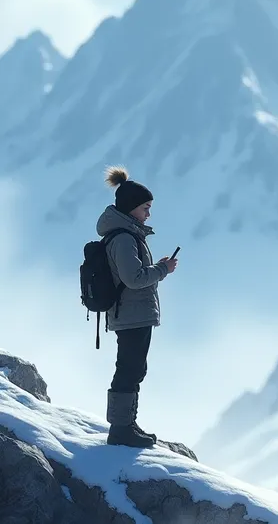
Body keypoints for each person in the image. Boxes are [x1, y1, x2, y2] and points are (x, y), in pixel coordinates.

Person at [96, 166, 178, 448]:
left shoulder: (127, 235)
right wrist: (163, 269)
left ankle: (127, 424)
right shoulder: (124, 239)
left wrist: (158, 268)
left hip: (133, 314)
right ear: (131, 208)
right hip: (131, 315)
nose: (148, 213)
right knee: (129, 368)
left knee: (134, 368)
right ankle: (120, 430)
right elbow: (134, 278)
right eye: (145, 207)